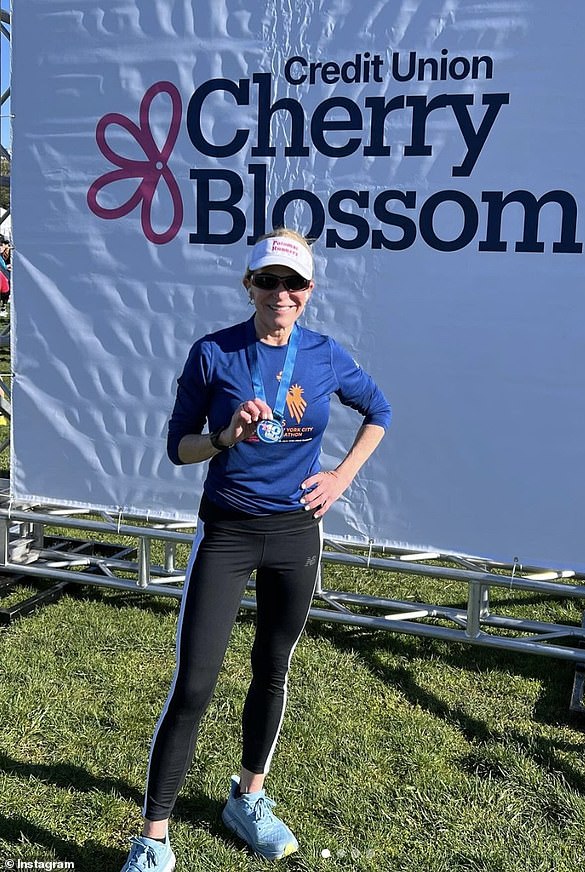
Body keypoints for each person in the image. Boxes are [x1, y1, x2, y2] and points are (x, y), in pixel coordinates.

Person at [120, 228, 391, 871]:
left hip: (296, 532)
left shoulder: (325, 355)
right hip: (230, 531)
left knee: (273, 668)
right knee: (195, 682)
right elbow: (177, 447)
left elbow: (379, 411)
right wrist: (222, 438)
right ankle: (154, 836)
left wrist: (340, 478)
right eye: (268, 280)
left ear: (308, 292)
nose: (280, 293)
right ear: (249, 285)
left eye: (292, 283)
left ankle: (249, 798)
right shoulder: (214, 353)